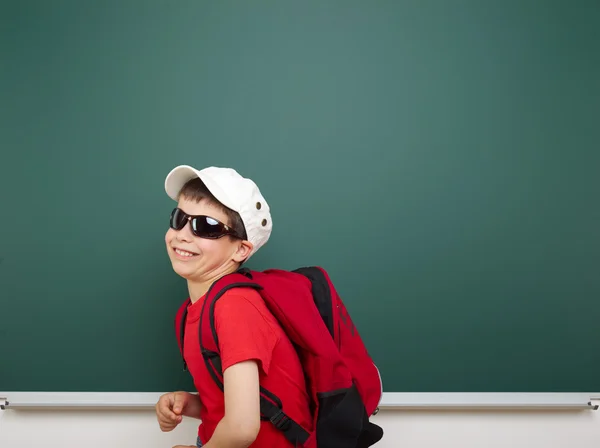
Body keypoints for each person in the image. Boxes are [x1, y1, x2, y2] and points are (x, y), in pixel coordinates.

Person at [155, 165, 313, 448]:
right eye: (179, 218)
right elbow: (246, 405)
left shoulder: (234, 306)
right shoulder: (195, 309)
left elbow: (242, 427)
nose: (182, 234)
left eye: (206, 226)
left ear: (241, 249)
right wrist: (190, 404)